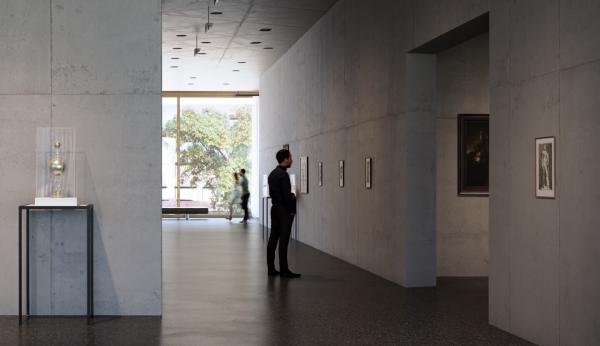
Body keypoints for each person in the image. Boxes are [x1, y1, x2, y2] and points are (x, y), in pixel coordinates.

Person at [267, 149, 300, 278]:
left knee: (273, 239)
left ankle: (271, 269)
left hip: (274, 209)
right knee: (284, 241)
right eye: (290, 158)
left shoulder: (272, 174)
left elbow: (273, 194)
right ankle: (284, 270)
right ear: (285, 159)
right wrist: (292, 197)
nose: (292, 160)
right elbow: (287, 197)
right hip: (284, 211)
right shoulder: (283, 175)